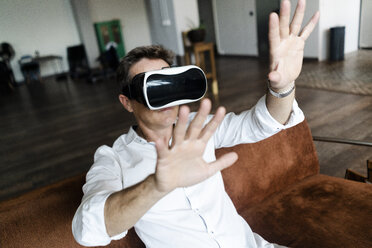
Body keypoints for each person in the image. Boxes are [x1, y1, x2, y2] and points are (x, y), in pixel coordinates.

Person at [72, 0, 319, 247]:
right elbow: (88, 229)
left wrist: (283, 86)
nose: (167, 97)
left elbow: (263, 123)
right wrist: (156, 185)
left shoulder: (198, 128)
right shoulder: (113, 159)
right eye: (154, 87)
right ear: (127, 102)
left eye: (171, 83)